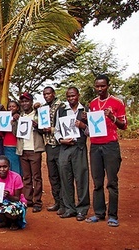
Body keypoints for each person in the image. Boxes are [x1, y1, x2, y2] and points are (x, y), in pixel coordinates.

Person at [86, 74, 127, 227]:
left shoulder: (117, 102)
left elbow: (124, 125)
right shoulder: (93, 103)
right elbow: (93, 126)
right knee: (97, 182)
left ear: (108, 86)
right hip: (95, 145)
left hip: (111, 145)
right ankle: (99, 213)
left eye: (103, 86)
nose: (100, 89)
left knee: (112, 182)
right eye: (97, 86)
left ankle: (113, 215)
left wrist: (112, 117)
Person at [54, 87, 90, 221]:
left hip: (79, 147)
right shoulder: (61, 111)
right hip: (64, 147)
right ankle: (69, 208)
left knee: (81, 178)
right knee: (65, 177)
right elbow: (57, 130)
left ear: (78, 96)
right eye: (68, 96)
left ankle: (82, 209)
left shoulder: (85, 110)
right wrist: (61, 140)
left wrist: (83, 126)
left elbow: (93, 131)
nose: (70, 99)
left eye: (73, 96)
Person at [14, 92, 45, 213]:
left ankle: (37, 201)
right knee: (26, 177)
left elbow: (44, 129)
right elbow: (14, 133)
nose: (24, 103)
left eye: (27, 101)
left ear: (31, 102)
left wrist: (37, 126)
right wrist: (14, 121)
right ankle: (28, 200)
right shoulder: (19, 116)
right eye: (22, 101)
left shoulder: (38, 114)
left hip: (34, 149)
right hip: (23, 150)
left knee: (36, 177)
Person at [41, 87, 65, 215]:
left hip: (60, 144)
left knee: (62, 174)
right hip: (49, 145)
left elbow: (65, 125)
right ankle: (57, 201)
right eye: (44, 94)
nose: (46, 96)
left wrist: (50, 129)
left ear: (54, 94)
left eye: (49, 93)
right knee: (53, 175)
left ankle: (64, 203)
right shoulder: (43, 108)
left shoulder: (61, 106)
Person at [0, 155, 27, 230]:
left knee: (12, 210)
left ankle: (14, 222)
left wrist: (8, 196)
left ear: (9, 166)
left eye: (5, 167)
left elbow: (17, 198)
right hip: (1, 201)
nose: (2, 169)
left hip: (15, 201)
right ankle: (4, 221)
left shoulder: (16, 177)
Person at [3, 100, 22, 176]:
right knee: (8, 166)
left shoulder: (21, 117)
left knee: (16, 167)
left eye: (13, 106)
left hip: (16, 145)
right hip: (6, 145)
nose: (11, 108)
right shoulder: (4, 118)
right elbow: (2, 133)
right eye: (9, 106)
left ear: (17, 108)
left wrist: (15, 121)